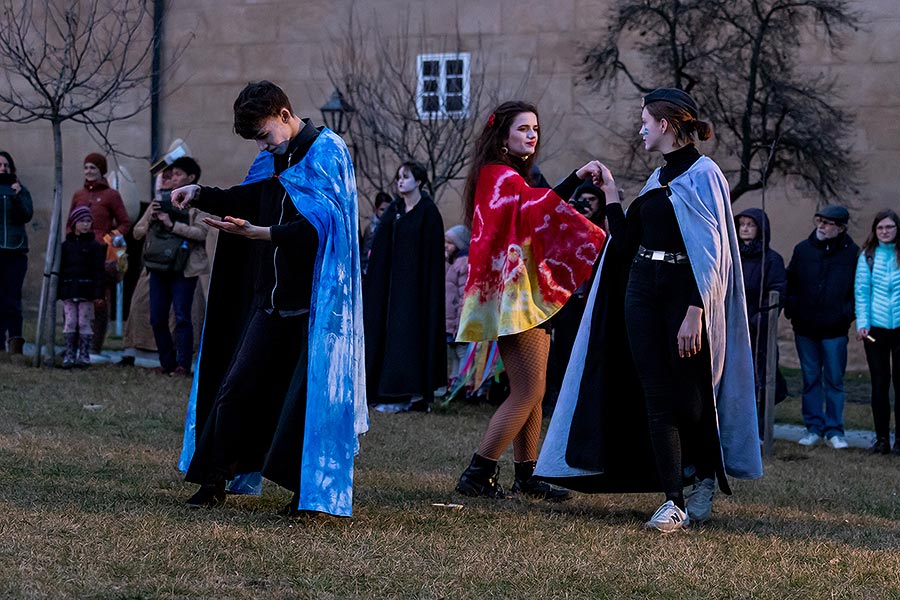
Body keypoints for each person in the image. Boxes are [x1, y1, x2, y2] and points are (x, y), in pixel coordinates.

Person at [537, 89, 762, 533]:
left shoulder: (704, 175)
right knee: (656, 398)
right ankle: (673, 499)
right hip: (641, 292)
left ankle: (700, 475)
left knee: (692, 400)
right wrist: (614, 196)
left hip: (685, 298)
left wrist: (697, 309)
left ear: (665, 123)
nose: (640, 128)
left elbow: (713, 252)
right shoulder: (657, 180)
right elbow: (623, 246)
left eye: (645, 120)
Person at [171, 81, 367, 517]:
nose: (263, 144)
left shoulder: (328, 151)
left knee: (305, 401)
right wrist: (201, 193)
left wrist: (261, 234)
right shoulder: (274, 157)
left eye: (264, 134)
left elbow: (325, 230)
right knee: (236, 387)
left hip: (316, 307)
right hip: (270, 300)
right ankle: (215, 479)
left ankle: (310, 497)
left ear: (283, 114)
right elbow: (252, 198)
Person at [453, 100, 606, 502]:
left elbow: (533, 215)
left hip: (525, 296)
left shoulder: (509, 177)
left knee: (532, 388)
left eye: (535, 128)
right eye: (523, 128)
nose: (532, 135)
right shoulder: (498, 176)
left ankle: (527, 474)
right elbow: (539, 211)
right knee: (528, 391)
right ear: (502, 136)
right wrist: (577, 180)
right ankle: (478, 471)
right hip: (514, 298)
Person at [363, 162, 446, 412]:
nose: (400, 182)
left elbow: (431, 257)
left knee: (410, 336)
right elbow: (380, 248)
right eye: (398, 177)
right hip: (390, 289)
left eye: (406, 177)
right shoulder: (395, 210)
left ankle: (412, 393)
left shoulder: (428, 212)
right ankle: (384, 390)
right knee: (385, 334)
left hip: (415, 291)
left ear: (419, 181)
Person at [786, 204, 858, 449]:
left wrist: (846, 315)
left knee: (835, 380)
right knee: (811, 379)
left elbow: (857, 290)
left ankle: (835, 430)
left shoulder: (852, 254)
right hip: (805, 329)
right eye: (820, 221)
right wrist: (793, 310)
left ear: (840, 228)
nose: (822, 226)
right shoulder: (803, 249)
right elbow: (790, 282)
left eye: (828, 223)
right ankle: (813, 428)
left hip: (835, 331)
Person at [134, 157, 208, 376]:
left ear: (191, 177)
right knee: (157, 317)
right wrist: (151, 219)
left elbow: (201, 233)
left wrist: (172, 225)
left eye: (177, 174)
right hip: (158, 267)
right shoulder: (161, 200)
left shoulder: (199, 202)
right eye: (171, 175)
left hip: (185, 268)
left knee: (182, 317)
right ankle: (166, 363)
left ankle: (183, 365)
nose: (173, 178)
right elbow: (137, 232)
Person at [69, 152, 132, 354]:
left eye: (93, 168)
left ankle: (93, 348)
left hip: (101, 255)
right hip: (79, 253)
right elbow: (70, 224)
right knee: (76, 297)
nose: (88, 172)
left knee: (99, 300)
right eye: (86, 167)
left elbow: (125, 223)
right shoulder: (78, 195)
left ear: (101, 171)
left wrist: (111, 236)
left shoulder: (111, 195)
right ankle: (74, 345)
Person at [735, 208, 788, 435]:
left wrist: (758, 320)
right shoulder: (732, 255)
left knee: (762, 379)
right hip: (732, 328)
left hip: (759, 331)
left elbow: (777, 293)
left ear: (761, 229)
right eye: (742, 224)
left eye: (751, 224)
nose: (745, 228)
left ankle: (761, 430)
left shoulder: (772, 259)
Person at [854, 209, 900, 455]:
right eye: (880, 228)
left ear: (897, 229)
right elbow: (861, 292)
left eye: (889, 227)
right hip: (875, 329)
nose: (885, 232)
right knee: (879, 384)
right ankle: (881, 439)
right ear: (875, 230)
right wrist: (863, 322)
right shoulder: (868, 256)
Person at [58, 206, 105, 368]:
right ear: (74, 223)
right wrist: (59, 291)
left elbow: (99, 271)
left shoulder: (95, 247)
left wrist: (98, 293)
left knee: (84, 322)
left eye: (88, 221)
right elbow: (60, 269)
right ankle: (69, 354)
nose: (85, 224)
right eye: (81, 221)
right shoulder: (65, 247)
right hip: (69, 289)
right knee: (70, 321)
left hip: (87, 291)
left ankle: (84, 356)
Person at [0, 151, 33, 358]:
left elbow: (27, 215)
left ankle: (15, 343)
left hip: (15, 251)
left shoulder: (21, 190)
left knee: (13, 299)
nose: (2, 168)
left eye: (6, 165)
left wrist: (18, 194)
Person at [444, 224, 470, 389]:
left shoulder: (462, 264)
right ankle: (454, 380)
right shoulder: (452, 263)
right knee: (453, 353)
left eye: (450, 243)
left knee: (461, 352)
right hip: (450, 319)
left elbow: (463, 295)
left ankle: (461, 383)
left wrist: (461, 319)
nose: (446, 246)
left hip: (458, 319)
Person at [361, 191, 391, 277]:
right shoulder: (372, 229)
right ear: (375, 209)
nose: (385, 213)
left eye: (387, 210)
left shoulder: (392, 225)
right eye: (382, 209)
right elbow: (366, 254)